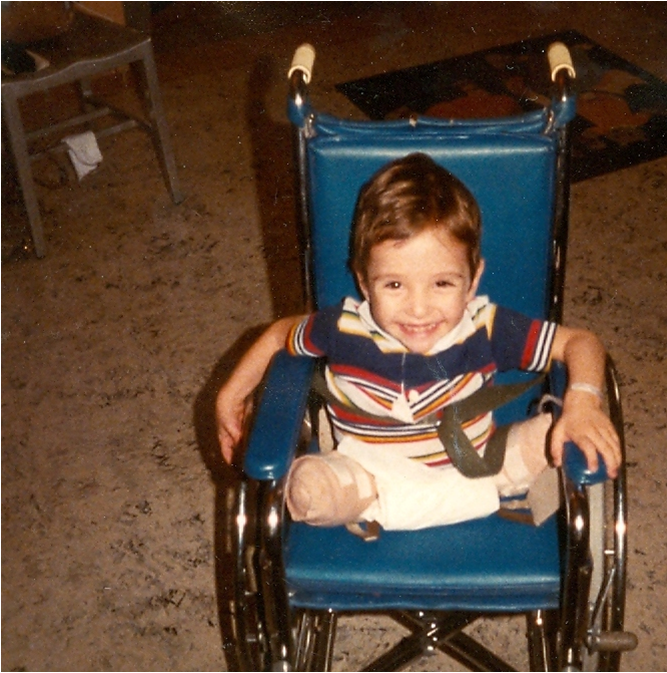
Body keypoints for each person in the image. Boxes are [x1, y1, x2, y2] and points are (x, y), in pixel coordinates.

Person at [216, 152, 620, 531]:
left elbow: (582, 342)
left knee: (554, 438)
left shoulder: (485, 327)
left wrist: (583, 402)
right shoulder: (342, 328)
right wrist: (231, 394)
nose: (419, 309)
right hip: (370, 475)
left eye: (442, 283)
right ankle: (352, 493)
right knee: (316, 490)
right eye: (394, 285)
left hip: (475, 467)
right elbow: (278, 336)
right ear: (363, 282)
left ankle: (463, 487)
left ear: (473, 281)